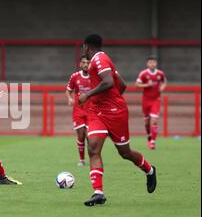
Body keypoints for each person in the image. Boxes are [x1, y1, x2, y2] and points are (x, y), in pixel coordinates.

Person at [78, 34, 157, 206]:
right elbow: (122, 84)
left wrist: (88, 95)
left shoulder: (99, 60)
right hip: (97, 112)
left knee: (125, 153)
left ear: (86, 47)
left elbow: (108, 82)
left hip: (115, 113)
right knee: (93, 148)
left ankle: (150, 170)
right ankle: (98, 192)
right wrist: (108, 101)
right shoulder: (102, 61)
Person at [135, 57, 167, 149]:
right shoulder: (143, 74)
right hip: (146, 101)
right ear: (147, 64)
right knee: (146, 122)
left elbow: (164, 82)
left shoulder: (160, 73)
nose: (152, 64)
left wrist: (162, 87)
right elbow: (137, 85)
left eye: (154, 62)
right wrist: (146, 85)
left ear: (156, 63)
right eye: (150, 62)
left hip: (156, 100)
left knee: (154, 121)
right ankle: (149, 136)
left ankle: (153, 141)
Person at [65, 55, 91, 166]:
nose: (86, 65)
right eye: (84, 62)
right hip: (78, 111)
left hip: (92, 111)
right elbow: (68, 90)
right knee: (81, 135)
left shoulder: (95, 76)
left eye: (88, 63)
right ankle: (82, 160)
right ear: (80, 64)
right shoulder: (75, 76)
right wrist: (70, 98)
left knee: (90, 136)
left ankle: (94, 158)